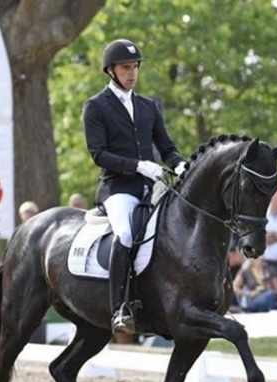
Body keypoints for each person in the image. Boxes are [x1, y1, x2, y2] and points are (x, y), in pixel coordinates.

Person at [83, 38, 186, 335]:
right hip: (118, 189)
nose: (132, 73)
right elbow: (98, 154)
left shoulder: (147, 106)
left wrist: (179, 165)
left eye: (135, 67)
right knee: (126, 233)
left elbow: (166, 147)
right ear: (111, 70)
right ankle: (119, 309)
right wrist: (138, 165)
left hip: (150, 187)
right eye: (126, 68)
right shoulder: (96, 106)